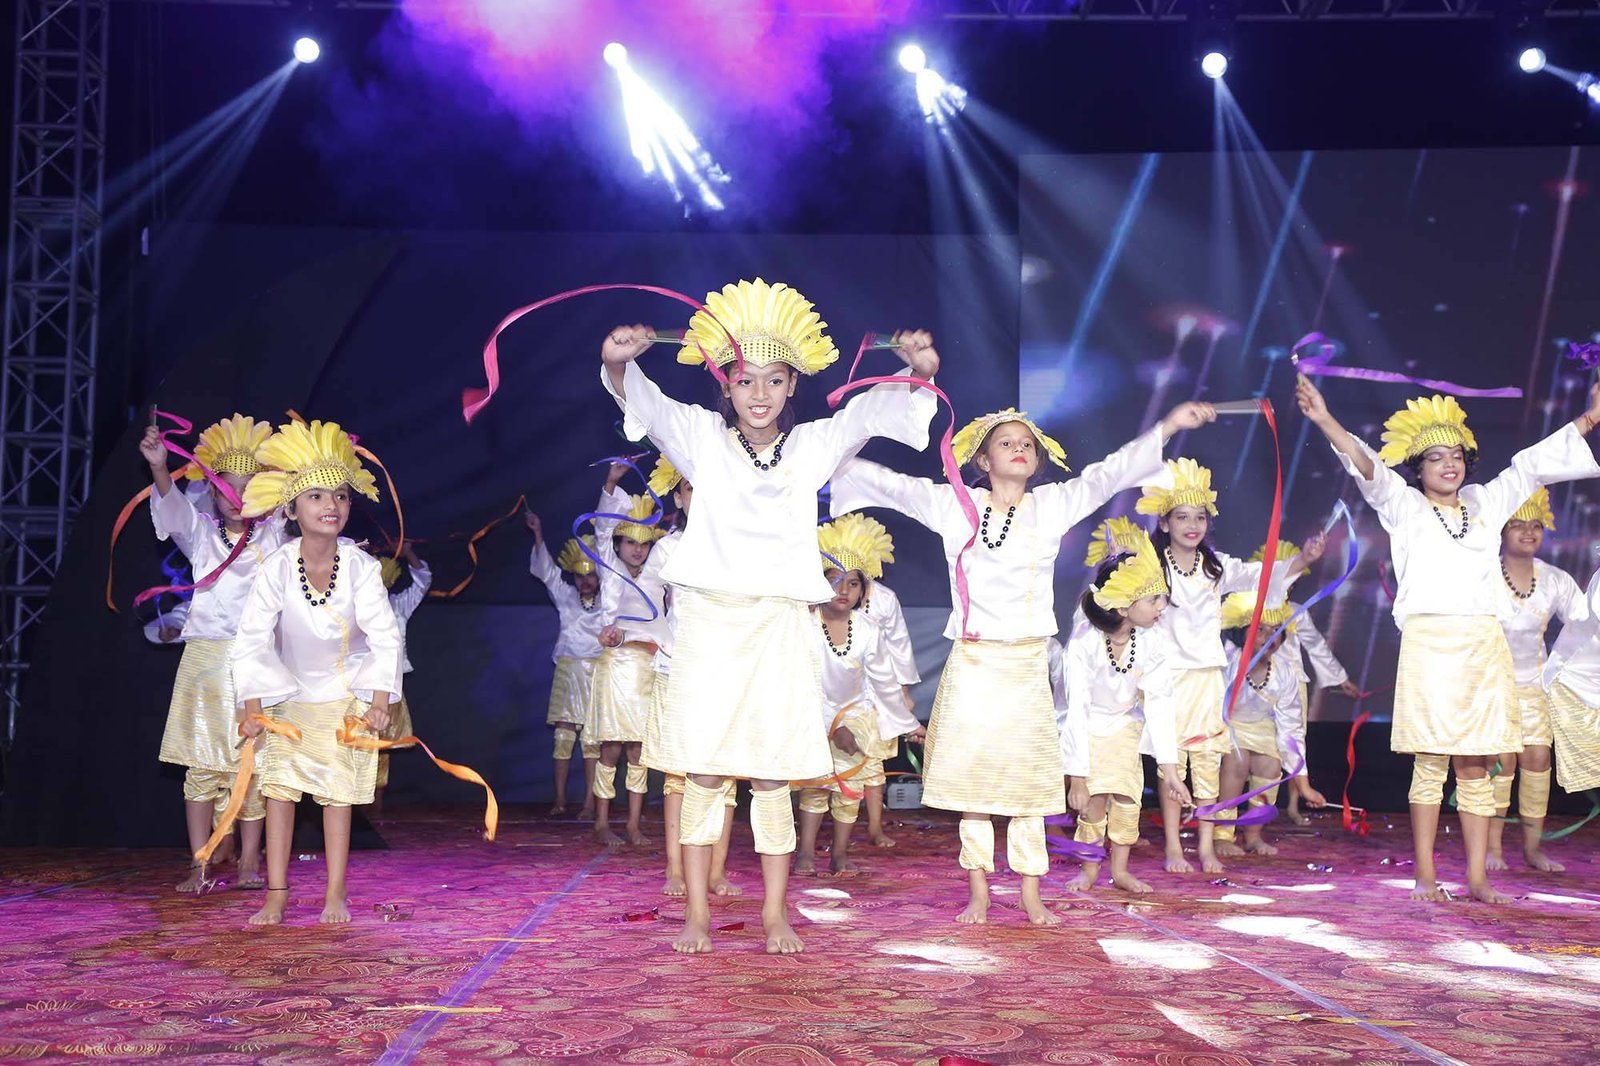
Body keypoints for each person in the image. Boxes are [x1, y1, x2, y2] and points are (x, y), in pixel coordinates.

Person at [603, 277, 940, 953]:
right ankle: (698, 915)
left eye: (775, 380)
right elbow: (642, 399)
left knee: (773, 773)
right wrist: (617, 361)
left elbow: (872, 413)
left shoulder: (813, 445)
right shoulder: (701, 438)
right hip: (709, 627)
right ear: (726, 385)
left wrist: (921, 372)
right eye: (745, 379)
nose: (759, 392)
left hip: (781, 624)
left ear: (793, 386)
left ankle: (774, 913)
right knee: (703, 772)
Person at [831, 401, 1218, 924]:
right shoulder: (955, 505)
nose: (1018, 449)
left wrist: (1168, 426)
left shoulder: (1051, 506)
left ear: (1037, 460)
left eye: (1027, 444)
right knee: (974, 789)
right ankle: (979, 893)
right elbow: (886, 483)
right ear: (983, 459)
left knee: (1030, 788)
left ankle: (1031, 893)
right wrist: (818, 445)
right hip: (973, 663)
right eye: (1006, 442)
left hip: (1027, 664)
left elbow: (1108, 475)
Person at [1297, 380, 1600, 902]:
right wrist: (1325, 419)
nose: (1449, 465)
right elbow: (1367, 466)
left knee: (1477, 762)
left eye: (1456, 455)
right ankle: (1425, 874)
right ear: (1419, 468)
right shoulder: (1405, 505)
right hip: (1430, 646)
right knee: (1432, 762)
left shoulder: (1486, 501)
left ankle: (1478, 879)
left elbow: (1532, 465)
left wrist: (1591, 417)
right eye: (1436, 458)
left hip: (1483, 644)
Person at [232, 419, 403, 925]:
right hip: (287, 693)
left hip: (343, 690)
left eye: (341, 496)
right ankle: (276, 894)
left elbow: (386, 636)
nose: (332, 505)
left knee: (337, 794)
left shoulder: (361, 568)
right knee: (279, 791)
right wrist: (253, 709)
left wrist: (378, 703)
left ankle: (335, 893)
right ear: (291, 509)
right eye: (316, 496)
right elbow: (252, 639)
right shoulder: (276, 567)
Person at [141, 414, 285, 892]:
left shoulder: (275, 535)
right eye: (227, 488)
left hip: (258, 662)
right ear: (212, 490)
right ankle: (199, 862)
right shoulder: (202, 534)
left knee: (256, 766)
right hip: (205, 661)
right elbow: (174, 511)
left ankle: (248, 861)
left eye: (248, 488)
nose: (237, 497)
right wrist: (159, 466)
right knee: (200, 767)